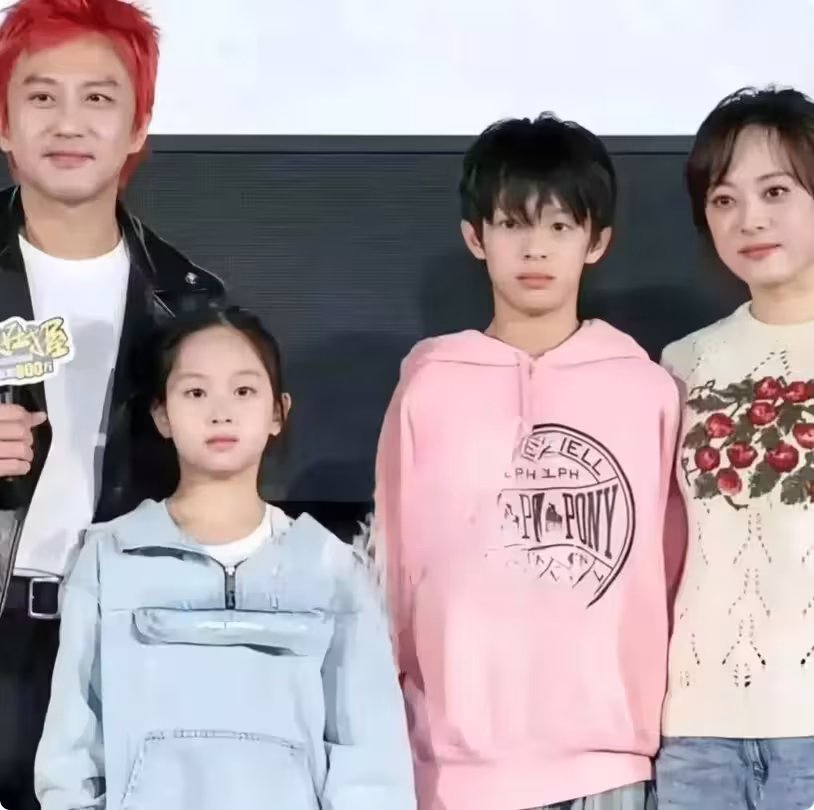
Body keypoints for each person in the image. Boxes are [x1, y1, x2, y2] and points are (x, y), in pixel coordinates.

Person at [370, 113, 680, 810]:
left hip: (607, 765)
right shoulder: (429, 386)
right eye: (513, 224)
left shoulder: (647, 391)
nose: (535, 248)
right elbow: (393, 565)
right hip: (453, 768)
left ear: (596, 242)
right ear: (475, 237)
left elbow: (668, 570)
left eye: (561, 226)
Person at [33, 305, 416, 810]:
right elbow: (70, 748)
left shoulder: (332, 568)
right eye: (195, 392)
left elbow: (372, 761)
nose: (221, 412)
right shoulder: (109, 557)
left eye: (243, 391)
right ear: (162, 414)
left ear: (278, 412)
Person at [0, 1, 224, 806]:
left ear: (138, 127)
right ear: (3, 121)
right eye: (41, 95)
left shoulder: (190, 301)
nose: (69, 122)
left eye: (98, 98)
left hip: (132, 636)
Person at [656, 87, 814, 809]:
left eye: (776, 191)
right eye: (723, 200)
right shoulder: (682, 363)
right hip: (697, 733)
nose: (749, 218)